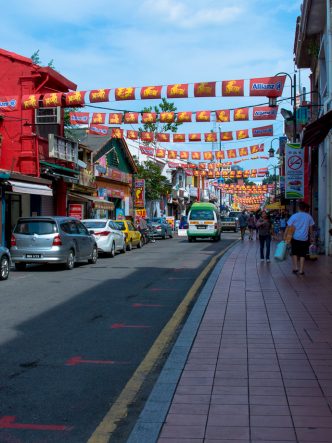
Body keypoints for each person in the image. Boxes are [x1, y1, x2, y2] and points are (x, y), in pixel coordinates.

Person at [287, 202, 315, 275]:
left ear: (298, 208)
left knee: (295, 253)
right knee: (303, 254)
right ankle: (301, 270)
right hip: (305, 238)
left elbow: (289, 227)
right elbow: (311, 228)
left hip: (295, 238)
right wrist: (312, 237)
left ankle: (296, 267)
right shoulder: (309, 216)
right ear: (305, 208)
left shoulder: (294, 216)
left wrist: (286, 237)